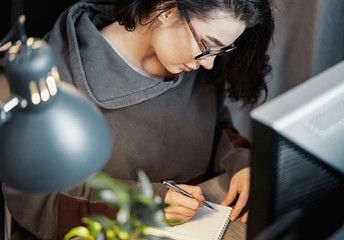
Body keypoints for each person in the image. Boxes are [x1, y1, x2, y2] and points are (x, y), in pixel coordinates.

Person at [2, 0, 275, 239]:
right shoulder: (55, 80)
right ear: (166, 8)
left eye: (220, 51)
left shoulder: (194, 65)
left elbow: (216, 128)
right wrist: (145, 203)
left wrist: (241, 162)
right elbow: (34, 198)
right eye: (207, 45)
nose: (209, 63)